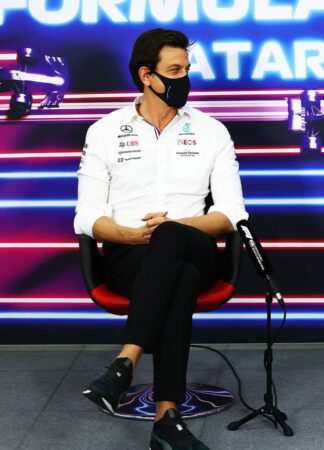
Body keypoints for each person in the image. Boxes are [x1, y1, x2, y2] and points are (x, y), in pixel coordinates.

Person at [74, 28, 247, 450]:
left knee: (173, 238)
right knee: (180, 278)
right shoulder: (105, 131)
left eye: (187, 69)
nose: (184, 78)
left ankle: (125, 360)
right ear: (146, 75)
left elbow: (230, 214)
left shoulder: (211, 131)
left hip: (198, 246)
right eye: (175, 70)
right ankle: (167, 418)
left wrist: (174, 228)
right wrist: (132, 234)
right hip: (128, 253)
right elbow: (88, 216)